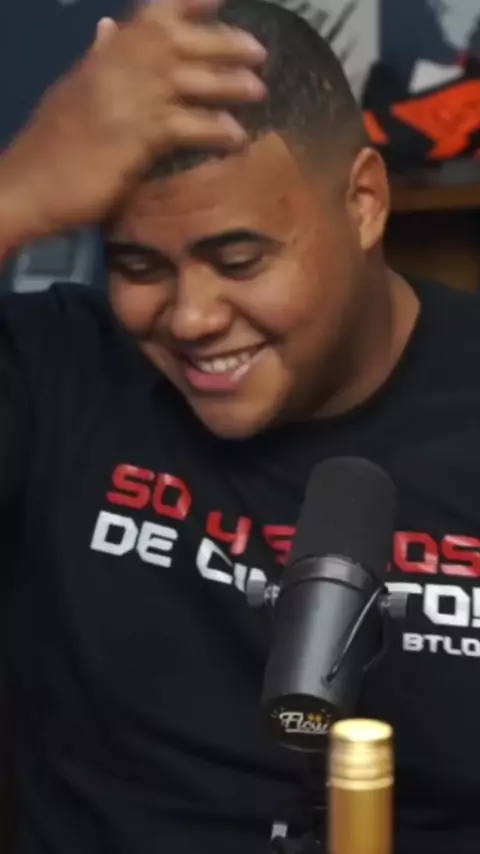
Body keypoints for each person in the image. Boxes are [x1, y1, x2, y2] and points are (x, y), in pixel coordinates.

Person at [1, 1, 480, 852]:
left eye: (239, 260)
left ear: (364, 203)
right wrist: (19, 194)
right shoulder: (56, 374)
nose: (190, 318)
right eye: (139, 266)